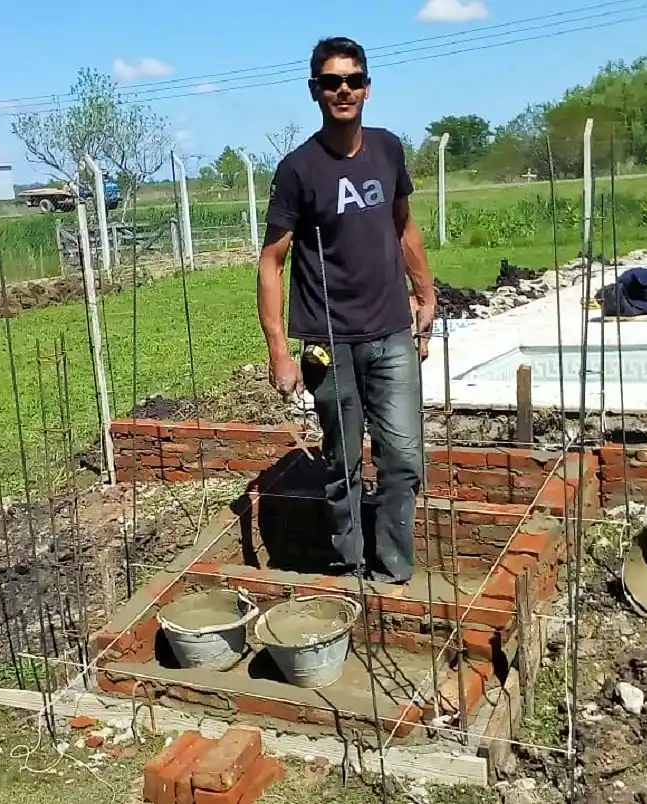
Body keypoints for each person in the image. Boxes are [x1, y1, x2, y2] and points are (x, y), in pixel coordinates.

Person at [256, 36, 436, 585]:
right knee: (343, 463)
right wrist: (280, 352)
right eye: (332, 81)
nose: (343, 90)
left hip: (390, 332)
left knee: (403, 457)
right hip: (326, 341)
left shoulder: (388, 150)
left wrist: (426, 293)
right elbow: (271, 261)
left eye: (353, 80)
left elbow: (403, 225)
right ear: (315, 90)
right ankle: (351, 566)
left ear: (367, 88)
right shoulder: (298, 170)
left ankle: (393, 570)